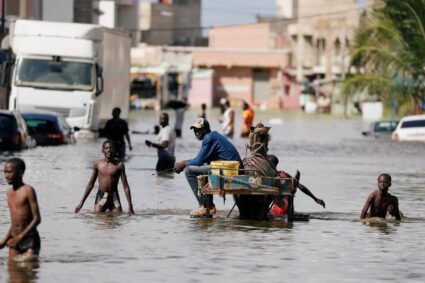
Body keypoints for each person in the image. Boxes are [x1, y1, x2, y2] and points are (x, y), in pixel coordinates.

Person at [174, 118, 242, 217]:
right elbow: (201, 161)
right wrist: (185, 163)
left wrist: (183, 163)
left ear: (206, 129)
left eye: (199, 130)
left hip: (228, 169)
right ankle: (209, 205)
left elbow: (198, 161)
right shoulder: (213, 136)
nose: (196, 133)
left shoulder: (208, 138)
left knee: (189, 171)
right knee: (202, 168)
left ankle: (204, 206)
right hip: (228, 167)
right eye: (194, 130)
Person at [75, 140, 134, 215]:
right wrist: (81, 203)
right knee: (98, 218)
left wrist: (130, 206)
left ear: (114, 150)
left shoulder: (119, 165)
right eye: (106, 148)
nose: (109, 150)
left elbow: (125, 186)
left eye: (111, 148)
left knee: (118, 218)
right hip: (101, 196)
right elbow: (90, 184)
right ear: (103, 151)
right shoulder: (97, 164)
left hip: (114, 197)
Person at [0, 158, 41, 261]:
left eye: (9, 172)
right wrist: (4, 241)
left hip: (29, 239)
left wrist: (20, 237)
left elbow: (37, 218)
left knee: (28, 270)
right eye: (5, 172)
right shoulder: (9, 193)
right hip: (14, 239)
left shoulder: (28, 191)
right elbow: (14, 223)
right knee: (13, 272)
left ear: (20, 173)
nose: (6, 175)